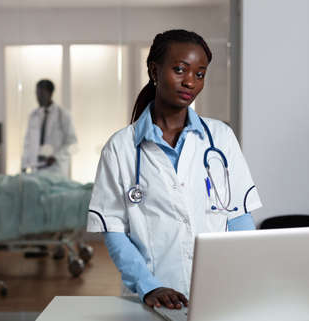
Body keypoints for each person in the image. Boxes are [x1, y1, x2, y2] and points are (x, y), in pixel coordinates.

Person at [86, 30, 262, 310]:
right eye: (179, 69)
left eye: (200, 74)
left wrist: (248, 275)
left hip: (219, 292)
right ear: (154, 70)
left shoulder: (221, 138)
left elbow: (239, 217)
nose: (190, 81)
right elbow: (114, 231)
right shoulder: (120, 148)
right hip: (153, 297)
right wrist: (148, 285)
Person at [21, 79, 77, 177]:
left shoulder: (63, 115)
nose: (38, 97)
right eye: (37, 93)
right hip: (36, 167)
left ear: (50, 93)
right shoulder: (34, 116)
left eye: (41, 93)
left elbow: (72, 143)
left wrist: (55, 157)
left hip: (56, 168)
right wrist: (24, 164)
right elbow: (27, 142)